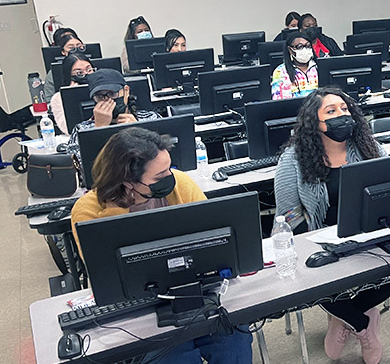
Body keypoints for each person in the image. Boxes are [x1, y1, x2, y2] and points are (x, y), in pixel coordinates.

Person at [69, 127, 253, 364]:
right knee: (176, 356)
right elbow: (106, 272)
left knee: (234, 340)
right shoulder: (87, 211)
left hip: (195, 291)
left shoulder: (181, 184)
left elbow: (213, 236)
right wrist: (119, 206)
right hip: (142, 311)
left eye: (169, 169)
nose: (169, 178)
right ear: (127, 181)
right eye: (159, 176)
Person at [274, 87, 390, 364]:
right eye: (331, 111)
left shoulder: (370, 147)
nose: (342, 115)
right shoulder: (293, 160)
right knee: (314, 283)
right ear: (314, 123)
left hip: (367, 236)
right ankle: (362, 325)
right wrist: (316, 241)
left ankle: (342, 316)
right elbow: (288, 216)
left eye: (344, 109)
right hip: (321, 242)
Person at [67, 69, 161, 165]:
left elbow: (164, 155)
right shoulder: (82, 130)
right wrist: (99, 130)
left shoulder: (150, 119)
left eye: (112, 94)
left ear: (126, 91)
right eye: (100, 96)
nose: (108, 100)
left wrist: (137, 131)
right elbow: (78, 166)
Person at [48, 53, 94, 135]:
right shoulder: (58, 98)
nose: (86, 74)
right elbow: (67, 129)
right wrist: (73, 95)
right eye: (79, 73)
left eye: (89, 70)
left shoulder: (104, 90)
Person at [271, 31, 318, 99]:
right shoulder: (281, 71)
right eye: (300, 47)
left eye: (308, 46)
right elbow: (279, 101)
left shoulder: (319, 67)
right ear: (290, 50)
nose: (305, 50)